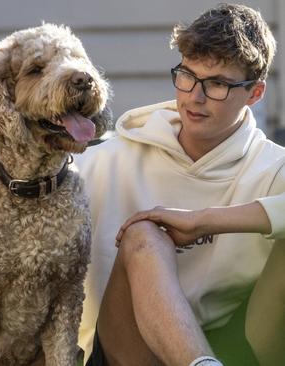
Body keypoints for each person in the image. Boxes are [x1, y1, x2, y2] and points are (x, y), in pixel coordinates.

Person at [73, 3, 284, 366]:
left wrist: (205, 220)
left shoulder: (273, 167)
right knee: (144, 233)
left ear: (255, 93)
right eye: (187, 75)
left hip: (235, 348)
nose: (194, 97)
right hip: (127, 349)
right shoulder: (105, 161)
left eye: (217, 83)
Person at [116, 201, 285, 366]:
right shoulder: (101, 174)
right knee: (142, 233)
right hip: (132, 347)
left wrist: (203, 220)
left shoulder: (274, 176)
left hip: (234, 340)